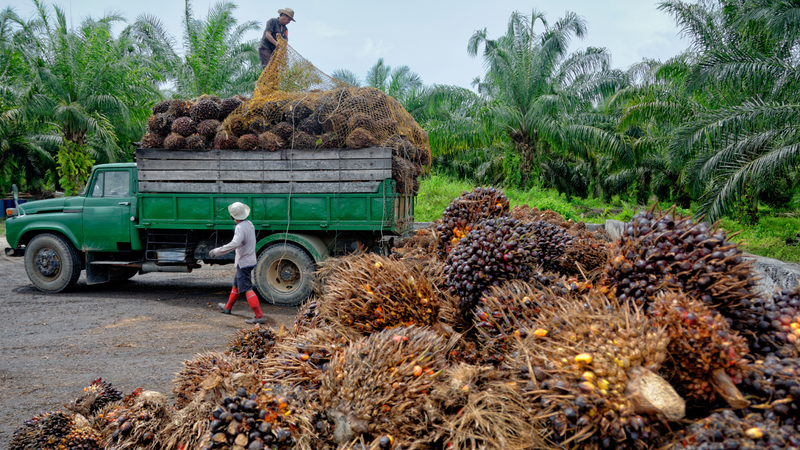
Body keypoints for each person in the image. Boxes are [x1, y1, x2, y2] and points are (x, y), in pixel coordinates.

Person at [209, 202, 265, 324]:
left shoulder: (240, 228)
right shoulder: (249, 224)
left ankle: (259, 316)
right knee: (236, 285)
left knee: (247, 289)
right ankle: (228, 307)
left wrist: (217, 251)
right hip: (249, 260)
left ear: (233, 217)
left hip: (244, 262)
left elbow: (234, 244)